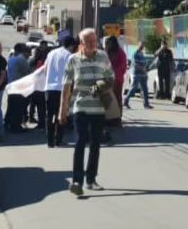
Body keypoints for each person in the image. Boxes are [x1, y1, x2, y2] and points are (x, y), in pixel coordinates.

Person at [59, 28, 115, 196]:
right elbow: (66, 86)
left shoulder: (103, 57)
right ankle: (77, 180)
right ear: (81, 43)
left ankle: (91, 179)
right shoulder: (73, 59)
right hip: (80, 107)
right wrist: (62, 110)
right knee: (80, 141)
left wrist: (101, 85)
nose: (92, 44)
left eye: (94, 40)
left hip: (98, 108)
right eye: (88, 41)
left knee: (95, 144)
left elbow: (111, 77)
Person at [44, 35, 77, 148]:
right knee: (62, 114)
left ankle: (49, 141)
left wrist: (48, 80)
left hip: (49, 87)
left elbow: (45, 69)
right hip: (62, 88)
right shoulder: (69, 56)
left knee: (49, 115)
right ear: (72, 46)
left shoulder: (51, 53)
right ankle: (58, 140)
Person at [6, 43, 31, 133]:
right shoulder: (21, 59)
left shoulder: (11, 59)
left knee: (11, 107)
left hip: (11, 86)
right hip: (19, 88)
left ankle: (8, 123)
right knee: (19, 108)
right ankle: (16, 126)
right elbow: (28, 73)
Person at [123, 42, 153, 110]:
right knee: (134, 88)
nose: (142, 47)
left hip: (143, 74)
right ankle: (125, 101)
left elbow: (144, 63)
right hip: (136, 73)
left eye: (143, 45)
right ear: (138, 45)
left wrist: (145, 71)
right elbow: (135, 64)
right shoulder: (135, 53)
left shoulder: (142, 53)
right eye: (141, 45)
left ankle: (146, 104)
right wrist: (142, 69)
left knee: (145, 89)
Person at [105, 36, 127, 120]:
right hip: (114, 78)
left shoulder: (119, 52)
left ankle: (115, 117)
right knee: (114, 98)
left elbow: (123, 66)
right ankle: (114, 117)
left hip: (114, 79)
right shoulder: (107, 52)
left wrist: (113, 73)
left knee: (115, 98)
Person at [28, 41, 49, 128]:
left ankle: (40, 122)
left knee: (39, 104)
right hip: (38, 85)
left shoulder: (44, 59)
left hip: (40, 85)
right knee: (38, 104)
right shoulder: (36, 61)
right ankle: (37, 120)